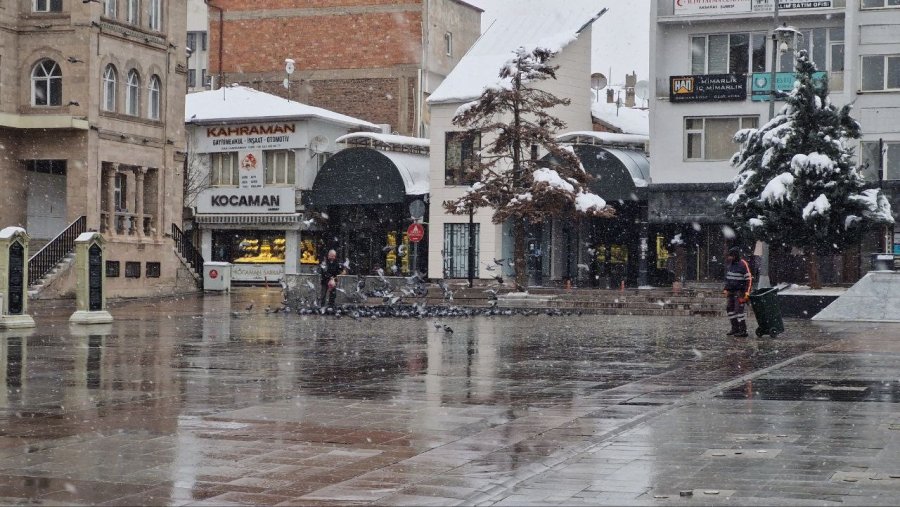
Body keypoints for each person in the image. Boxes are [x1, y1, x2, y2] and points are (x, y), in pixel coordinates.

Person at [724, 246, 752, 337]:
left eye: (731, 256)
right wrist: (726, 289)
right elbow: (728, 278)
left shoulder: (743, 264)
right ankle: (735, 328)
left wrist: (747, 292)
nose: (729, 258)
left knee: (739, 310)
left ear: (735, 256)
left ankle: (743, 330)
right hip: (731, 292)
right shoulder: (730, 264)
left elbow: (749, 279)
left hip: (740, 292)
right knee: (730, 309)